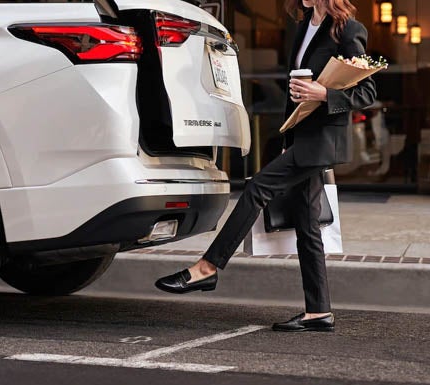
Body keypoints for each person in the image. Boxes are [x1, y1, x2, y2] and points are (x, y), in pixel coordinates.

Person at [155, 0, 376, 332]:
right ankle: (318, 311)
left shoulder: (347, 29)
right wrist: (289, 128)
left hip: (321, 141)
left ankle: (208, 267)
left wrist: (322, 92)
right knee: (307, 224)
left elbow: (367, 91)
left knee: (258, 187)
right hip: (300, 136)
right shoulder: (303, 26)